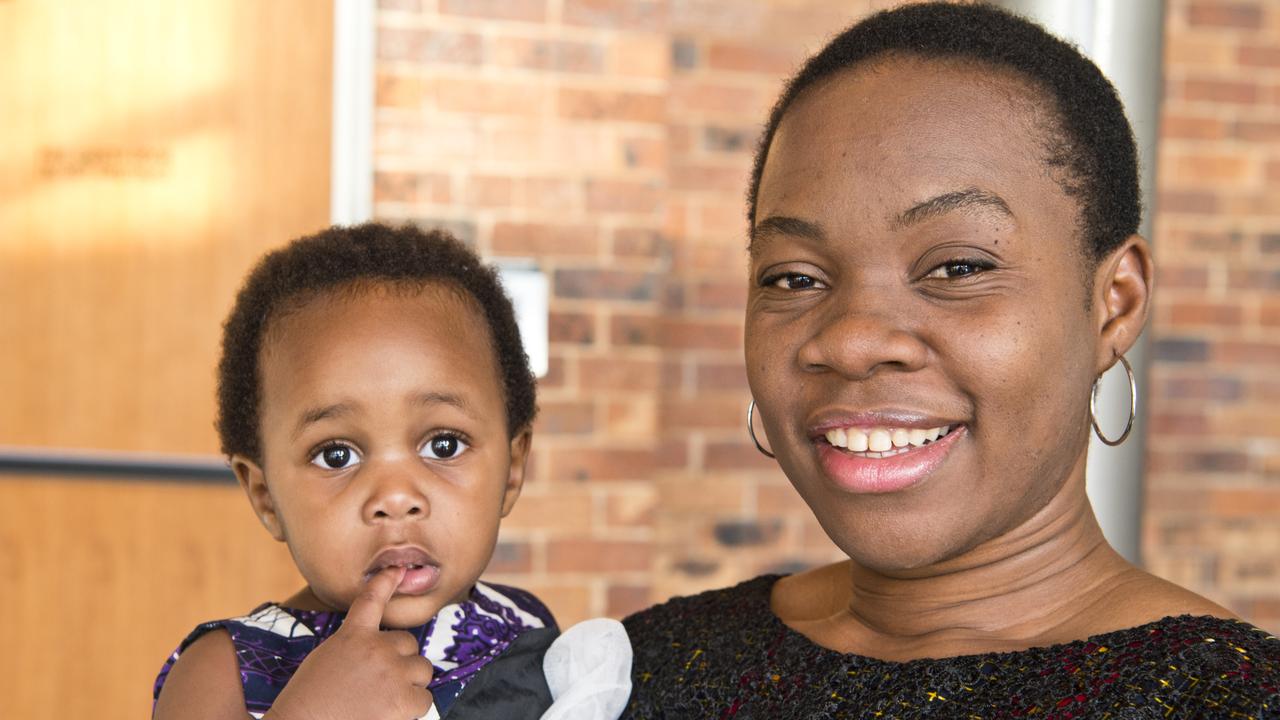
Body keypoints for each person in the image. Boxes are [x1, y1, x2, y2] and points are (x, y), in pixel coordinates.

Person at [622, 3, 1280, 717]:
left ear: (1113, 304)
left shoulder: (1226, 698)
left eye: (958, 268)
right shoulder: (641, 670)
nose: (851, 341)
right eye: (794, 278)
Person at [153, 224, 560, 720]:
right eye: (336, 455)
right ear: (265, 496)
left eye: (443, 444)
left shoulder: (525, 628)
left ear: (513, 469)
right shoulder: (223, 673)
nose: (395, 497)